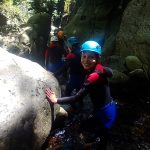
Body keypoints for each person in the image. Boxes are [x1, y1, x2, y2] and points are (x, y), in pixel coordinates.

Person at [45, 41, 117, 149]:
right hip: (108, 107)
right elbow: (111, 72)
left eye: (91, 57)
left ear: (98, 58)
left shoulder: (93, 77)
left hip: (105, 112)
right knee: (92, 128)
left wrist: (56, 100)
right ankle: (94, 142)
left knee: (102, 138)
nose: (86, 60)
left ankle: (96, 144)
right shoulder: (99, 68)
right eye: (84, 56)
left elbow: (76, 97)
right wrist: (101, 69)